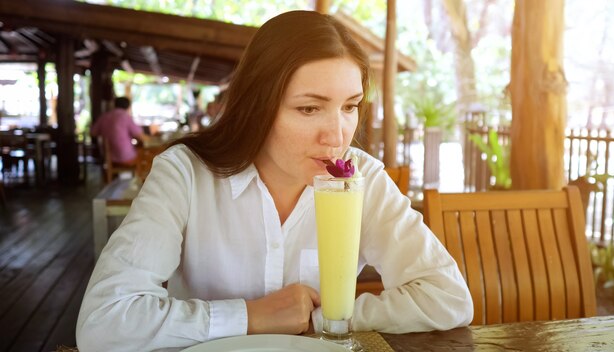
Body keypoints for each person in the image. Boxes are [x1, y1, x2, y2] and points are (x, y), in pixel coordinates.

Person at [77, 10, 472, 351]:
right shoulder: (185, 174)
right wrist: (252, 317)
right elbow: (104, 322)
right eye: (309, 108)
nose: (337, 136)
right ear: (257, 105)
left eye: (350, 106)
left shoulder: (362, 177)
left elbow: (447, 297)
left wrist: (326, 318)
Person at [91, 96, 147, 165]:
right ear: (128, 106)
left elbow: (93, 132)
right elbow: (140, 137)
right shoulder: (125, 116)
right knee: (148, 156)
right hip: (125, 158)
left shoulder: (104, 116)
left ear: (114, 105)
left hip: (108, 158)